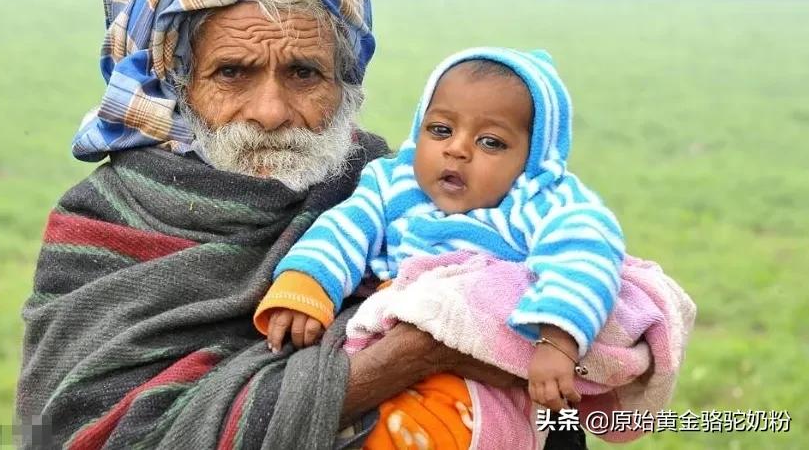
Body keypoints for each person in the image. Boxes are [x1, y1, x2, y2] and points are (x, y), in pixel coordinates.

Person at [16, 0, 586, 449]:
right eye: (232, 72)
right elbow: (92, 431)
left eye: (304, 73)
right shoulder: (108, 220)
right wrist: (414, 354)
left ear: (345, 83)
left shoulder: (394, 189)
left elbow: (561, 379)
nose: (270, 111)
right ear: (175, 84)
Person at [254, 48, 624, 447]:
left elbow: (584, 255)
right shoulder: (394, 183)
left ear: (533, 157)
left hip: (480, 380)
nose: (457, 149)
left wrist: (557, 341)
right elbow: (345, 228)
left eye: (491, 142)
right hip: (385, 351)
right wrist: (306, 285)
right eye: (441, 130)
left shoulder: (542, 203)